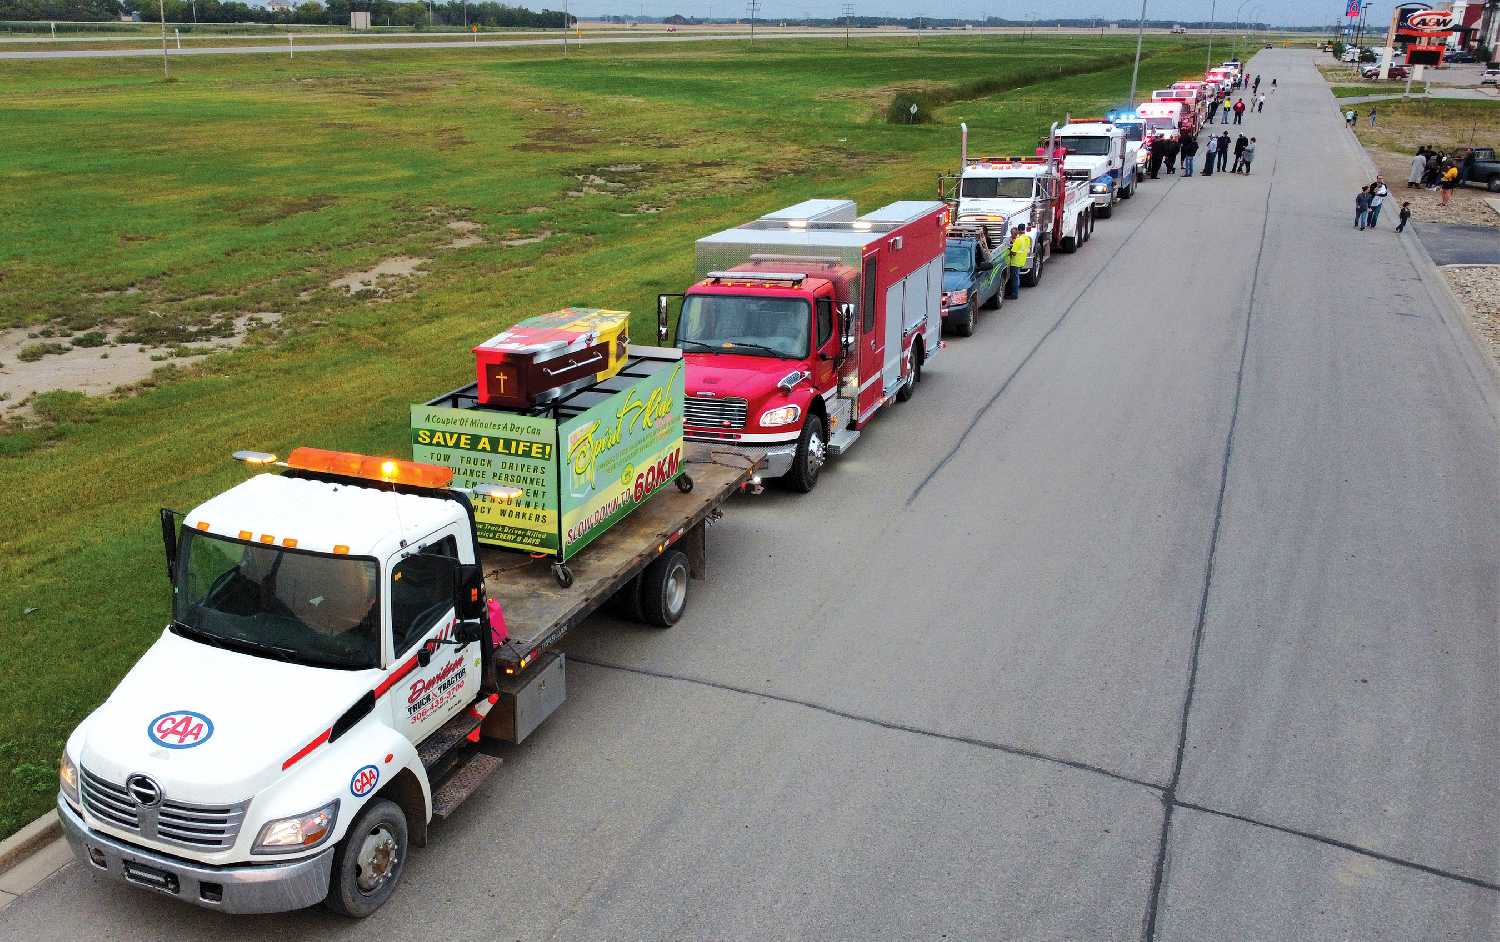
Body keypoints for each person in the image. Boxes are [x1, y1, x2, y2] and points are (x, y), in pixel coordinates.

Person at [1006, 223, 1031, 299]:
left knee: (1015, 279)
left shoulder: (1018, 240)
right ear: (1024, 229)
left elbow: (1013, 253)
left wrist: (1009, 249)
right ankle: (1014, 293)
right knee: (1017, 278)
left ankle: (1014, 294)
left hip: (1015, 262)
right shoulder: (1027, 238)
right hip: (1022, 261)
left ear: (1019, 230)